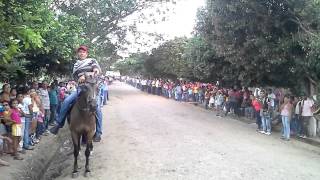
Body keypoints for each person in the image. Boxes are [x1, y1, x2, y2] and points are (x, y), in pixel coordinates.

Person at [50, 45, 103, 142]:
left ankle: (98, 132)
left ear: (86, 54)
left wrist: (85, 75)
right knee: (66, 101)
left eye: (83, 52)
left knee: (97, 108)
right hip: (81, 88)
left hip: (91, 88)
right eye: (80, 52)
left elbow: (97, 70)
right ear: (78, 54)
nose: (81, 53)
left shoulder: (92, 61)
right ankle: (58, 124)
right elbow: (75, 78)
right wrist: (80, 78)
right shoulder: (76, 65)